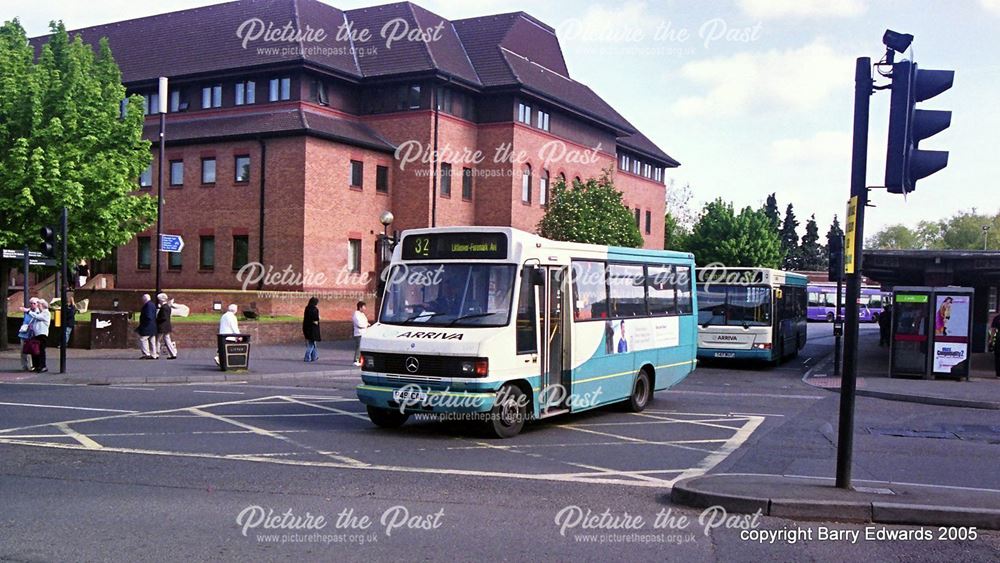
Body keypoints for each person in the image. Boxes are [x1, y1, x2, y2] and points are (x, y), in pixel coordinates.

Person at [21, 299, 51, 373]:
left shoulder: (46, 313)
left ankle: (43, 366)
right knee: (35, 351)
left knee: (41, 351)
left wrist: (28, 311)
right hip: (36, 334)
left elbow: (37, 316)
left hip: (42, 334)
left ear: (43, 305)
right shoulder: (40, 312)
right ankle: (37, 366)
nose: (38, 305)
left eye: (39, 304)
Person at [17, 298, 38, 371]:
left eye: (34, 303)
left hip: (32, 334)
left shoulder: (37, 312)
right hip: (24, 333)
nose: (32, 305)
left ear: (37, 304)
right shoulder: (27, 311)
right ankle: (24, 366)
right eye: (31, 303)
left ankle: (31, 366)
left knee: (31, 350)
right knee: (23, 351)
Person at [156, 293, 178, 360]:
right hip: (167, 326)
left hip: (162, 326)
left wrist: (157, 319)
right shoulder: (168, 307)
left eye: (159, 300)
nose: (158, 301)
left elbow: (163, 317)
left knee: (157, 340)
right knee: (167, 340)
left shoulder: (164, 307)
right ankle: (173, 353)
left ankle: (156, 354)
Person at [137, 293, 158, 359]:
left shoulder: (147, 306)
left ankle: (146, 354)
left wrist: (144, 324)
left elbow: (148, 316)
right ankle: (154, 354)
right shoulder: (153, 305)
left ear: (144, 299)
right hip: (153, 326)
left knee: (143, 339)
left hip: (147, 326)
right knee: (152, 340)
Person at [302, 297, 321, 363]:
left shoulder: (307, 308)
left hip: (307, 328)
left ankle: (314, 356)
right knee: (311, 344)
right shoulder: (315, 309)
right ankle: (307, 357)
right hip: (313, 329)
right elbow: (316, 319)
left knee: (313, 343)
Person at [352, 301, 369, 367]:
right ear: (360, 307)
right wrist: (366, 325)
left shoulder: (362, 314)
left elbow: (366, 322)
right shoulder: (356, 314)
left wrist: (367, 324)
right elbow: (359, 324)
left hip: (364, 333)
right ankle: (356, 360)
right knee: (358, 347)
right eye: (364, 307)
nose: (365, 308)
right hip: (359, 333)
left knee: (362, 348)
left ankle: (360, 360)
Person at [991, 313, 1000, 378]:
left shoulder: (997, 318)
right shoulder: (997, 318)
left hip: (999, 338)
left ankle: (998, 374)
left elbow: (993, 330)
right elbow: (993, 330)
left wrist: (991, 339)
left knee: (998, 356)